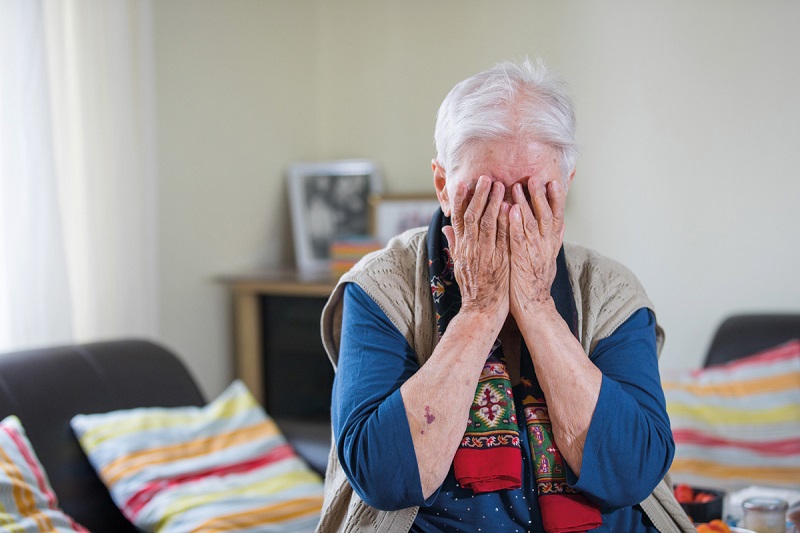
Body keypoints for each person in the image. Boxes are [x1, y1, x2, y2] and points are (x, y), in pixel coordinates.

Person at [316, 58, 695, 533]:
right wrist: (478, 312)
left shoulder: (611, 289)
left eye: (534, 193)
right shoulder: (381, 286)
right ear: (443, 187)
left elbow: (632, 471)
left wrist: (536, 307)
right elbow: (384, 477)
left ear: (566, 187)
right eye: (485, 193)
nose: (510, 215)